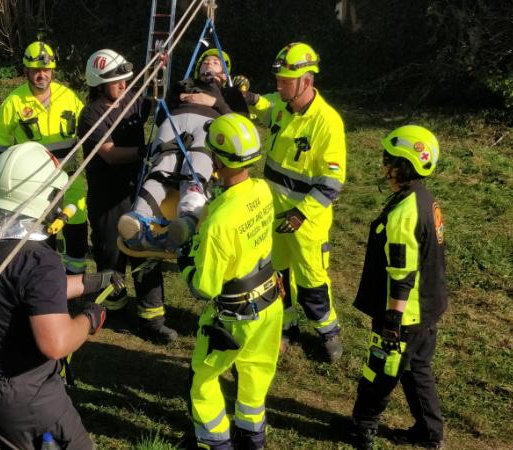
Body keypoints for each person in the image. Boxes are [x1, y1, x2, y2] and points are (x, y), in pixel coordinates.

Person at [0, 141, 123, 450]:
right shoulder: (38, 260)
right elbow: (55, 343)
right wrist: (90, 318)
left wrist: (91, 282)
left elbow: (28, 294)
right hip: (26, 397)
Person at [178, 113, 282, 450]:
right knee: (254, 376)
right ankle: (252, 440)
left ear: (217, 161)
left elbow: (204, 287)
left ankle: (215, 443)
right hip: (269, 305)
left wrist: (185, 260)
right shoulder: (262, 190)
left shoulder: (219, 224)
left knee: (203, 380)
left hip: (236, 316)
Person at [241, 42, 347, 361]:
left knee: (312, 282)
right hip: (275, 216)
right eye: (279, 80)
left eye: (285, 81)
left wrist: (301, 214)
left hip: (306, 223)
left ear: (306, 81)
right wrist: (240, 93)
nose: (279, 86)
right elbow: (260, 103)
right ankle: (287, 326)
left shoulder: (326, 123)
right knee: (277, 274)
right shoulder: (282, 106)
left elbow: (332, 182)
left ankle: (328, 333)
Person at [350, 125, 447, 450]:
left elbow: (402, 272)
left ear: (401, 165)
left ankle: (362, 428)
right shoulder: (424, 198)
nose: (383, 164)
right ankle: (429, 432)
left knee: (380, 370)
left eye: (387, 158)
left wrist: (393, 319)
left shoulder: (404, 213)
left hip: (404, 315)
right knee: (417, 368)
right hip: (428, 309)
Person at [78, 48, 177, 343]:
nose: (123, 85)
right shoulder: (91, 115)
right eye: (117, 81)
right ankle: (114, 313)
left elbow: (150, 95)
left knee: (147, 253)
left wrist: (158, 68)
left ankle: (152, 320)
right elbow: (108, 153)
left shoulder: (130, 101)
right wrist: (144, 152)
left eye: (125, 80)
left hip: (139, 194)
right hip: (108, 199)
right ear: (98, 84)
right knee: (112, 256)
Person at [117, 48, 248, 257]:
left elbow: (241, 125)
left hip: (208, 124)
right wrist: (175, 96)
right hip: (174, 121)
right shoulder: (182, 85)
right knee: (161, 167)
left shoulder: (230, 94)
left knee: (197, 165)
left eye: (216, 62)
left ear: (225, 73)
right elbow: (160, 117)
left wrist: (214, 102)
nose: (209, 64)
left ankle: (187, 220)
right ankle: (137, 218)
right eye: (206, 61)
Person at [0, 40, 89, 275]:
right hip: (36, 183)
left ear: (53, 70)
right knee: (41, 229)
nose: (41, 75)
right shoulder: (14, 101)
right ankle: (44, 275)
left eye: (46, 70)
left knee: (76, 223)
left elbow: (89, 129)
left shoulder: (69, 96)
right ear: (26, 71)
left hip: (70, 178)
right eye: (35, 70)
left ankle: (76, 274)